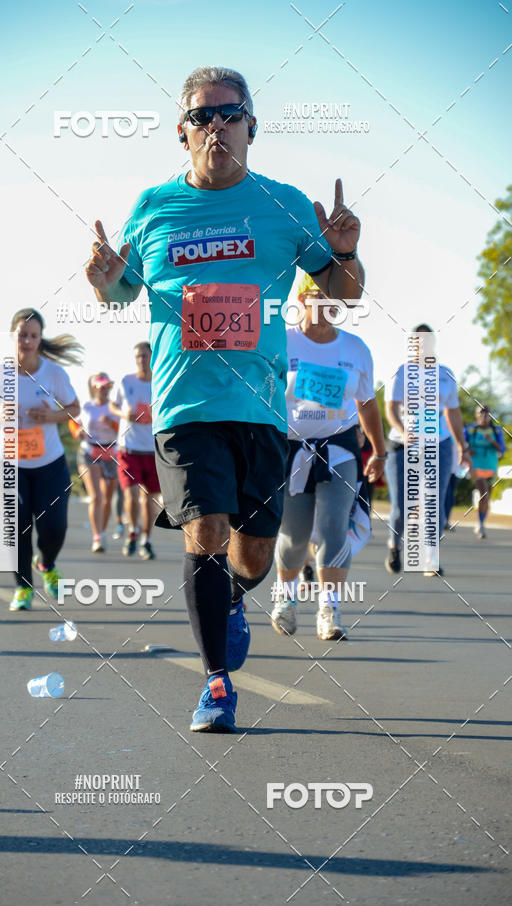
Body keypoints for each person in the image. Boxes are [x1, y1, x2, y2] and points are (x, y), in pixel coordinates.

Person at [85, 66, 364, 732]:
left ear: (251, 127)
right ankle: (216, 683)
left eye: (229, 114)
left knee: (253, 555)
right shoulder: (153, 208)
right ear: (182, 132)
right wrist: (103, 283)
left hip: (263, 411)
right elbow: (121, 293)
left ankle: (235, 597)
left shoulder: (286, 205)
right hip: (184, 407)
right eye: (202, 117)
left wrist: (350, 253)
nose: (216, 126)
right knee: (205, 533)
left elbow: (345, 289)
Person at [270, 276, 385, 638]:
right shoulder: (282, 343)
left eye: (334, 297)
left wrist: (379, 451)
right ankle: (286, 599)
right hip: (292, 449)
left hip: (339, 448)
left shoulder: (355, 348)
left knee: (336, 527)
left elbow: (365, 403)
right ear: (302, 299)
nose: (328, 304)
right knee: (294, 535)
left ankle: (329, 610)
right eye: (320, 296)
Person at [0, 309, 81, 611]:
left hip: (50, 464)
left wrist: (53, 415)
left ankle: (47, 563)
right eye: (22, 335)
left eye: (34, 335)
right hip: (10, 466)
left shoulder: (53, 373)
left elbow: (75, 408)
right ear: (12, 337)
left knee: (54, 528)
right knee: (16, 527)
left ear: (40, 339)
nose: (28, 341)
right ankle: (23, 587)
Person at [384, 324, 472, 576]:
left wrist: (461, 446)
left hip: (439, 443)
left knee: (434, 501)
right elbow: (391, 409)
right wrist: (403, 430)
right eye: (419, 341)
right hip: (403, 445)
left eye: (428, 341)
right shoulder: (401, 373)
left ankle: (430, 559)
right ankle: (394, 546)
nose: (424, 346)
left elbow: (452, 412)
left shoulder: (445, 374)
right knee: (403, 505)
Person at [108, 343, 160, 560]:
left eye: (144, 356)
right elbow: (112, 405)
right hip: (128, 448)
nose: (140, 360)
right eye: (137, 356)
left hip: (153, 450)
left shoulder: (160, 381)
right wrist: (123, 414)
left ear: (152, 357)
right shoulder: (126, 381)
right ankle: (132, 531)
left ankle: (146, 540)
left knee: (149, 499)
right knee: (130, 494)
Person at [76, 373, 119, 553]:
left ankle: (102, 530)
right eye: (100, 387)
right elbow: (75, 423)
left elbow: (125, 428)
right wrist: (76, 432)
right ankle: (97, 537)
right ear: (93, 388)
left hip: (112, 451)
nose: (103, 390)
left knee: (107, 499)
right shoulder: (86, 407)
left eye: (107, 387)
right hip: (90, 451)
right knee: (96, 496)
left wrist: (112, 423)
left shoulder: (115, 407)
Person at [465, 406, 505, 539]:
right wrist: (467, 451)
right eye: (481, 414)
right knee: (483, 493)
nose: (483, 417)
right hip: (475, 466)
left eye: (486, 414)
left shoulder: (496, 430)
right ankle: (480, 523)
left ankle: (481, 522)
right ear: (476, 415)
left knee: (487, 497)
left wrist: (491, 440)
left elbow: (502, 449)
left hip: (491, 466)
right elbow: (460, 444)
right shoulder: (471, 430)